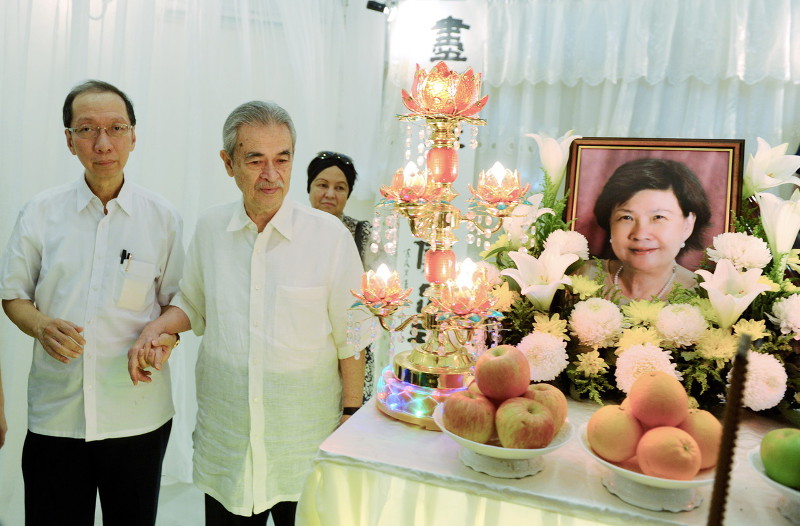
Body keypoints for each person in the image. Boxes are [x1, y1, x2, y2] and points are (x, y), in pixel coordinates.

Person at [128, 100, 369, 525]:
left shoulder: (328, 237)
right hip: (229, 440)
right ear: (228, 163)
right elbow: (192, 304)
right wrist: (160, 328)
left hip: (303, 439)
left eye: (282, 159)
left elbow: (353, 334)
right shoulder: (210, 229)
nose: (271, 174)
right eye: (255, 159)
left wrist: (350, 416)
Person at [0, 80, 184, 525]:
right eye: (86, 130)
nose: (103, 143)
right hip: (57, 419)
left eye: (116, 128)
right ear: (68, 140)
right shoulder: (40, 213)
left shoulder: (162, 218)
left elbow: (179, 304)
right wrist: (41, 325)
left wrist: (162, 337)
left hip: (137, 418)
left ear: (134, 136)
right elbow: (12, 295)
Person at [582, 158, 711, 302]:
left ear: (688, 225)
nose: (640, 234)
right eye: (626, 217)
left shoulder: (706, 295)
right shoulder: (578, 277)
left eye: (658, 217)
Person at [307, 151, 377, 401]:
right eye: (322, 185)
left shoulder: (363, 234)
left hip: (351, 338)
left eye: (340, 187)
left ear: (348, 194)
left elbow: (378, 287)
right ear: (309, 187)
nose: (329, 194)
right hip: (306, 337)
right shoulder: (293, 228)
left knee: (349, 413)